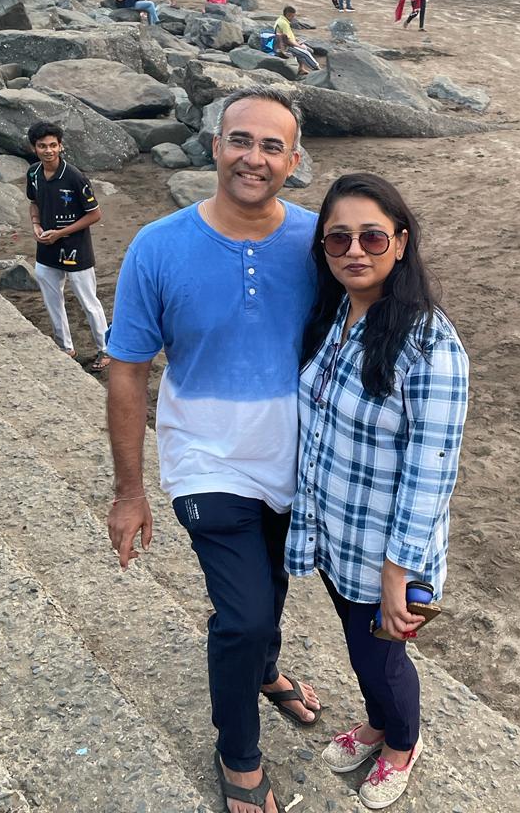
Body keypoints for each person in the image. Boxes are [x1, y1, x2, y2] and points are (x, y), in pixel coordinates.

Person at [106, 84, 322, 813]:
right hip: (205, 460)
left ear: (294, 160)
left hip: (295, 460)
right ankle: (239, 753)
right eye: (241, 140)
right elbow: (128, 369)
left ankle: (262, 671)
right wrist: (129, 491)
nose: (253, 158)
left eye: (271, 146)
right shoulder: (157, 246)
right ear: (214, 145)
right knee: (246, 613)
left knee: (273, 585)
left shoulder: (319, 241)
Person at [287, 172, 469, 810]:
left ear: (401, 241)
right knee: (361, 650)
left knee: (383, 660)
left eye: (372, 237)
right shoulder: (336, 313)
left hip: (388, 550)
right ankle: (378, 722)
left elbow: (433, 467)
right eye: (338, 239)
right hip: (337, 531)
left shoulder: (429, 343)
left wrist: (399, 573)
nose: (355, 251)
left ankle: (402, 743)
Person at [26, 121, 110, 373]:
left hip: (75, 247)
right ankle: (65, 347)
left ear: (61, 146)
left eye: (53, 145)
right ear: (34, 148)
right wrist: (36, 224)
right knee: (52, 298)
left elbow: (95, 214)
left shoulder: (74, 176)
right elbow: (33, 202)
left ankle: (106, 349)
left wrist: (60, 233)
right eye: (42, 146)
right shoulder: (33, 173)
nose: (48, 150)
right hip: (46, 247)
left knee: (88, 301)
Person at [274, 6, 320, 76]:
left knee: (309, 50)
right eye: (292, 16)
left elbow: (287, 36)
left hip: (285, 43)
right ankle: (317, 69)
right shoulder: (284, 24)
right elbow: (288, 40)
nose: (293, 18)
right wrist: (299, 46)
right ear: (288, 15)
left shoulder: (281, 20)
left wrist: (297, 41)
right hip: (285, 47)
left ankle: (301, 68)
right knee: (305, 53)